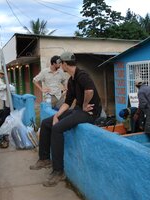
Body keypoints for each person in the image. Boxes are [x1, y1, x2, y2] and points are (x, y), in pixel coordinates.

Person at [30, 52, 102, 187]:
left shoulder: (82, 75)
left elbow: (90, 91)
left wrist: (85, 105)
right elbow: (68, 102)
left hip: (90, 113)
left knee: (57, 128)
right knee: (47, 123)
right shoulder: (71, 80)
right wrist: (57, 115)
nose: (59, 65)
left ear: (64, 63)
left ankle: (58, 171)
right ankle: (45, 158)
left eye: (60, 63)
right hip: (78, 110)